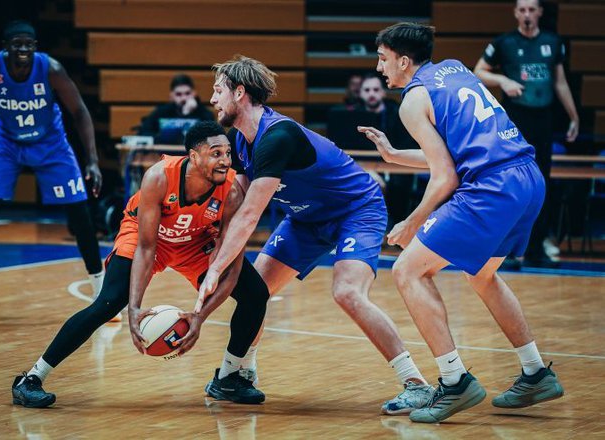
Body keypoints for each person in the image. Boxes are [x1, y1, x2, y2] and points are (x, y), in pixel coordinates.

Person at [197, 55, 435, 415]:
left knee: (347, 292)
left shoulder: (277, 136)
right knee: (256, 293)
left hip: (356, 209)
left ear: (240, 93)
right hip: (306, 218)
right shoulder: (239, 139)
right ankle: (236, 375)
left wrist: (216, 269)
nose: (213, 99)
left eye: (218, 91)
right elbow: (236, 200)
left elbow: (250, 216)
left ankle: (416, 383)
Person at [359, 22, 564, 424]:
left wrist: (412, 222)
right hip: (526, 177)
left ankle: (454, 382)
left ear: (403, 60)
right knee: (483, 276)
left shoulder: (412, 102)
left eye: (382, 59)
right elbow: (457, 155)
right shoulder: (454, 68)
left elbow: (446, 177)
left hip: (492, 186)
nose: (379, 68)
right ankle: (536, 372)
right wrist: (395, 155)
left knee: (408, 271)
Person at [11, 121, 270, 408]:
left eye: (227, 154)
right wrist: (133, 308)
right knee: (109, 303)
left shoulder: (232, 192)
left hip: (195, 242)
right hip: (149, 236)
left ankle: (229, 377)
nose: (225, 161)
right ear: (193, 157)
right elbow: (147, 248)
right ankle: (31, 379)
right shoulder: (159, 177)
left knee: (255, 293)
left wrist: (199, 316)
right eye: (216, 153)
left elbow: (230, 267)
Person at [0, 21, 104, 323]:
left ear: (35, 47)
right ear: (5, 47)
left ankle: (100, 294)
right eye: (16, 44)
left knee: (79, 213)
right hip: (7, 143)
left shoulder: (51, 69)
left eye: (27, 44)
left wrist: (92, 160)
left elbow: (80, 111)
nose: (22, 50)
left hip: (51, 143)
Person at [474, 0, 580, 267]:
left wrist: (573, 116)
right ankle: (506, 250)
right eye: (522, 10)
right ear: (515, 13)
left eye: (532, 9)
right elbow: (478, 71)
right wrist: (504, 80)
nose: (527, 14)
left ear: (540, 12)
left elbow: (560, 82)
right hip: (514, 121)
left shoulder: (553, 43)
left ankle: (536, 248)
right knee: (513, 184)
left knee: (541, 183)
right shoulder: (504, 43)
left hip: (543, 120)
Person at [357, 73, 420, 229]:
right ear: (360, 93)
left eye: (375, 90)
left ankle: (397, 226)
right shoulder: (354, 115)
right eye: (367, 90)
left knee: (400, 186)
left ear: (383, 93)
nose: (371, 94)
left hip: (397, 165)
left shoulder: (399, 113)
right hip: (365, 164)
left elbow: (406, 144)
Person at [138, 74, 214, 141]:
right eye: (178, 94)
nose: (183, 98)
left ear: (194, 94)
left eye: (187, 93)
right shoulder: (162, 112)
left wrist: (187, 114)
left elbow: (210, 136)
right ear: (171, 96)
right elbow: (144, 132)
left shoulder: (204, 113)